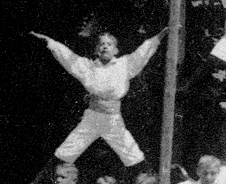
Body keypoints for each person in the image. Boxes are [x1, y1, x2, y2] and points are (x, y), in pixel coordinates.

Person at [31, 29, 166, 171]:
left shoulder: (124, 65)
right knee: (67, 150)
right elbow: (68, 57)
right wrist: (50, 42)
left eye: (109, 44)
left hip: (113, 119)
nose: (105, 46)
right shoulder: (87, 67)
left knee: (132, 154)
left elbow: (143, 52)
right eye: (101, 44)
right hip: (92, 118)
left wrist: (161, 35)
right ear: (96, 49)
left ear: (116, 50)